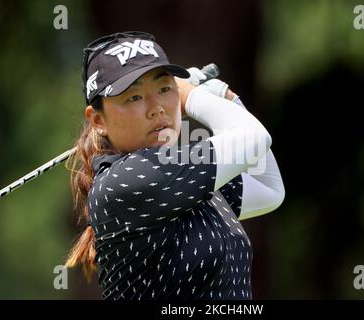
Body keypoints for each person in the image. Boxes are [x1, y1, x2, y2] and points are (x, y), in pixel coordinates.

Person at [65, 31, 285, 300]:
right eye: (134, 97)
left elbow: (269, 187)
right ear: (97, 120)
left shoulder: (183, 173)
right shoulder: (125, 181)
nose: (156, 108)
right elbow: (255, 138)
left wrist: (228, 98)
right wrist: (191, 95)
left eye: (164, 88)